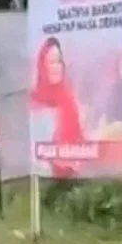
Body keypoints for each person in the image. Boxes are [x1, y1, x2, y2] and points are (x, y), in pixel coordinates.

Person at [30, 37, 83, 178]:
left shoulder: (67, 97)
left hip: (76, 171)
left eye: (59, 61)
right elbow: (38, 155)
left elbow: (79, 138)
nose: (56, 67)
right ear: (43, 66)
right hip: (50, 174)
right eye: (52, 62)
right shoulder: (37, 102)